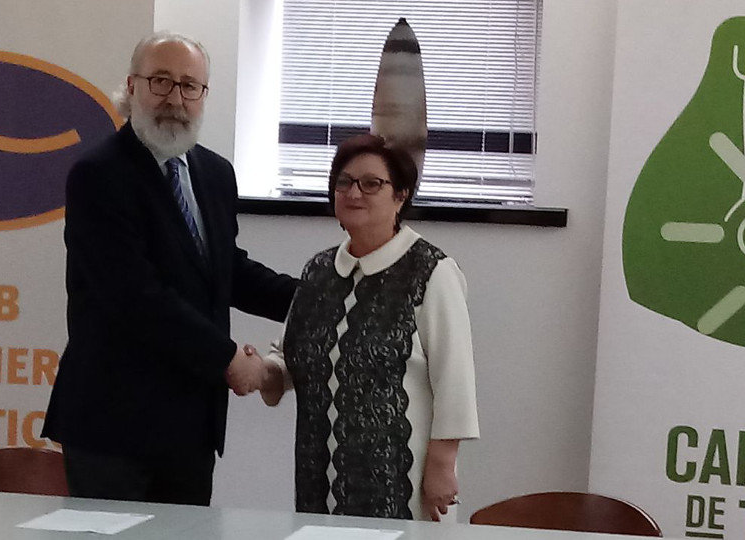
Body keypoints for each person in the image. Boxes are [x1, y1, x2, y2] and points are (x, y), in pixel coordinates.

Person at [41, 31, 296, 505]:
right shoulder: (98, 175)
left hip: (190, 427)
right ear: (131, 86)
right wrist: (227, 358)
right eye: (161, 81)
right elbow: (135, 296)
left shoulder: (215, 173)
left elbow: (226, 270)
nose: (175, 99)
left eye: (189, 85)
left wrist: (314, 300)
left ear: (203, 95)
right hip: (112, 428)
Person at [259, 134, 479, 522]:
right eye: (344, 182)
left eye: (371, 183)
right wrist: (259, 370)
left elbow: (454, 378)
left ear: (400, 196)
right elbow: (289, 354)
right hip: (319, 477)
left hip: (403, 481)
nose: (354, 193)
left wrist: (443, 466)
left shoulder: (431, 272)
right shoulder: (319, 271)